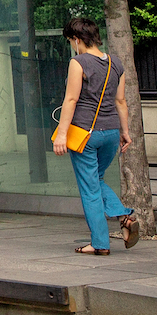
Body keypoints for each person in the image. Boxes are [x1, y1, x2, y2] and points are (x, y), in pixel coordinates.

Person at [54, 18, 137, 255]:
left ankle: (100, 243)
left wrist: (61, 135)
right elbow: (121, 101)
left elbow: (71, 99)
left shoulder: (78, 62)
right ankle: (124, 217)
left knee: (90, 189)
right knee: (96, 180)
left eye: (70, 41)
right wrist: (125, 132)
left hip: (85, 134)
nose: (72, 46)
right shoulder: (115, 63)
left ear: (76, 40)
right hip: (111, 133)